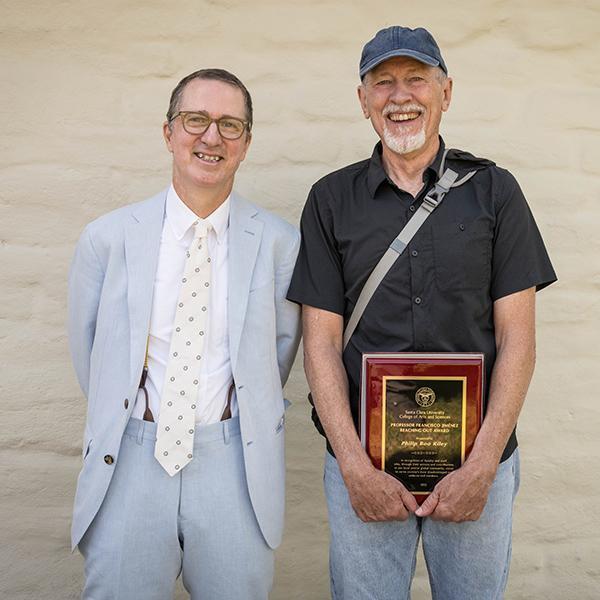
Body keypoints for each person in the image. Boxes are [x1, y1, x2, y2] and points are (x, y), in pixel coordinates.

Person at [287, 26, 557, 599]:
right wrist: (355, 468)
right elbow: (319, 345)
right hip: (364, 462)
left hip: (476, 461)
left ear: (446, 92)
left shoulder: (495, 191)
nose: (399, 96)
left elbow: (519, 341)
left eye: (416, 79)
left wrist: (482, 468)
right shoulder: (330, 200)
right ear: (363, 101)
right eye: (382, 82)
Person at [68, 68, 301, 600]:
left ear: (246, 142)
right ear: (169, 132)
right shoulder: (106, 239)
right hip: (129, 458)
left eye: (230, 125)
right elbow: (90, 354)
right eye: (195, 120)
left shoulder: (279, 245)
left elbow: (279, 354)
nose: (211, 137)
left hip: (234, 465)